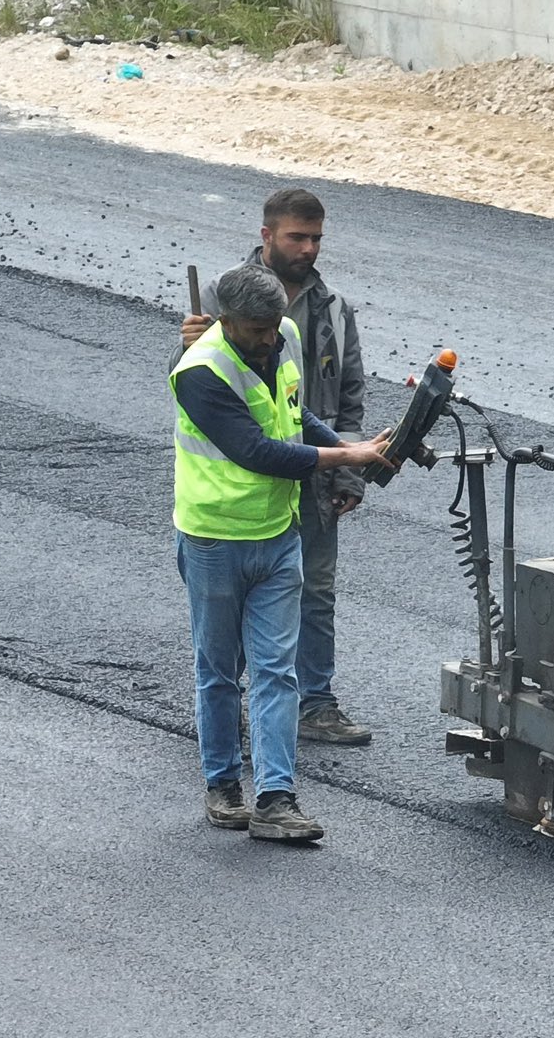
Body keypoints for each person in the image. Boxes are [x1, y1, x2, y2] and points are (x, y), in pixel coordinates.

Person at [172, 264, 394, 839]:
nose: (269, 337)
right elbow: (256, 451)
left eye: (273, 325)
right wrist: (348, 459)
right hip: (214, 541)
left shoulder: (284, 335)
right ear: (226, 320)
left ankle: (276, 799)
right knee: (219, 672)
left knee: (276, 672)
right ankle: (223, 784)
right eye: (255, 329)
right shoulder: (201, 371)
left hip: (277, 536)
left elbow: (296, 416)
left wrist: (347, 442)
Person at [180, 188, 374, 746]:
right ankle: (229, 710)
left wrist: (348, 468)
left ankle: (317, 703)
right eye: (297, 237)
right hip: (240, 490)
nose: (309, 248)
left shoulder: (334, 308)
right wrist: (183, 344)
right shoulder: (222, 295)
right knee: (239, 605)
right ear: (267, 235)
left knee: (316, 592)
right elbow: (190, 381)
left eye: (316, 238)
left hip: (314, 478)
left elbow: (348, 395)